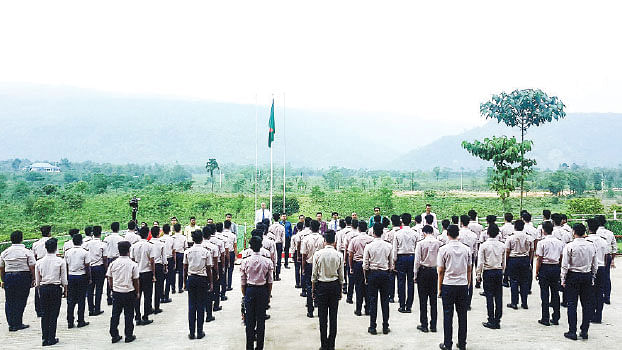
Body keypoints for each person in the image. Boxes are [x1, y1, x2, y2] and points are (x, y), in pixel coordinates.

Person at [561, 223, 597, 341]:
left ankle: (572, 331)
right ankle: (585, 330)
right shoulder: (591, 246)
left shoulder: (570, 246)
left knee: (572, 304)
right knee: (586, 304)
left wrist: (563, 278)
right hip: (586, 275)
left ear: (574, 232)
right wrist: (592, 276)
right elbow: (594, 264)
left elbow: (565, 265)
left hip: (573, 275)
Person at [438, 225, 471, 350]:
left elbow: (441, 270)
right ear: (458, 234)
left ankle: (448, 343)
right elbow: (469, 268)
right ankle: (462, 343)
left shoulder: (443, 249)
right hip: (462, 284)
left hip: (448, 284)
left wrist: (440, 287)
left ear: (447, 234)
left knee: (448, 315)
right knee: (462, 315)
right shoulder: (466, 249)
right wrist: (468, 283)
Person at [312, 230, 344, 350]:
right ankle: (332, 345)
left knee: (322, 317)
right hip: (334, 286)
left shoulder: (318, 254)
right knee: (333, 316)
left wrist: (313, 290)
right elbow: (341, 276)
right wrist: (340, 290)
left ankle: (324, 344)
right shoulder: (339, 255)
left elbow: (314, 275)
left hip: (322, 286)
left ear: (324, 241)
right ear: (334, 241)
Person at [241, 236, 274, 350]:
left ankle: (249, 346)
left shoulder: (245, 261)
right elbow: (270, 281)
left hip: (250, 290)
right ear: (261, 246)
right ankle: (260, 346)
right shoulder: (267, 261)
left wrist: (245, 295)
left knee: (249, 320)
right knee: (261, 320)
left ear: (250, 246)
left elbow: (243, 281)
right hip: (262, 290)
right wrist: (268, 295)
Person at [0, 230, 35, 332]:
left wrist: (3, 279)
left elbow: (1, 268)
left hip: (9, 276)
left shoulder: (5, 252)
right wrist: (33, 279)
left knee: (9, 300)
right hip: (23, 277)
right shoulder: (27, 252)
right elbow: (32, 267)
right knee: (21, 300)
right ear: (21, 239)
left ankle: (11, 323)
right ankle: (18, 322)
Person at [35, 238, 67, 347]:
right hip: (55, 288)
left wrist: (39, 292)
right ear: (56, 248)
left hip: (44, 288)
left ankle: (44, 338)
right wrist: (65, 291)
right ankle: (51, 337)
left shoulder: (39, 262)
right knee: (54, 313)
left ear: (46, 248)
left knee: (45, 314)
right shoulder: (60, 261)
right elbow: (64, 279)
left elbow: (37, 281)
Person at [363, 222, 393, 335]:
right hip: (385, 274)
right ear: (383, 232)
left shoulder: (369, 246)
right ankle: (385, 326)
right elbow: (391, 264)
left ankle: (372, 326)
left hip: (373, 274)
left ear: (373, 232)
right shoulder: (388, 246)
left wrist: (366, 277)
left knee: (372, 300)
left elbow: (365, 264)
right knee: (385, 301)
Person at [107, 240, 139, 344]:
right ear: (129, 250)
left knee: (115, 314)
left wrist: (112, 288)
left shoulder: (113, 263)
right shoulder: (132, 264)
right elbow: (135, 280)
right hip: (129, 291)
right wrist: (137, 292)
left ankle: (114, 334)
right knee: (129, 314)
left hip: (117, 291)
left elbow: (109, 278)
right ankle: (128, 335)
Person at [184, 229, 213, 340]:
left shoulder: (188, 251)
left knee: (191, 305)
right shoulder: (206, 252)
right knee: (201, 305)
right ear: (201, 239)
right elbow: (209, 269)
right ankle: (200, 331)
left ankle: (191, 332)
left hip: (191, 278)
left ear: (192, 239)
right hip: (202, 279)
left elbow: (185, 268)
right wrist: (210, 283)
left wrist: (184, 283)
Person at [476, 224, 505, 329]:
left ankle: (491, 319)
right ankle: (497, 319)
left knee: (489, 296)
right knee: (498, 296)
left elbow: (480, 262)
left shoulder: (484, 245)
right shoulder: (502, 245)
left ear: (487, 233)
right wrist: (503, 272)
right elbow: (504, 261)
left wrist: (478, 275)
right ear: (498, 233)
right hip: (498, 271)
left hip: (488, 271)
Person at [534, 221, 563, 326]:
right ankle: (556, 317)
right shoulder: (560, 242)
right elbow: (561, 257)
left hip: (545, 268)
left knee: (544, 293)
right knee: (555, 293)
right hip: (555, 267)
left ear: (543, 230)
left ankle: (545, 317)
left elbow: (539, 259)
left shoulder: (542, 243)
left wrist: (537, 271)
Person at [414, 225, 441, 332]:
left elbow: (417, 261)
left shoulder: (420, 243)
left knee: (423, 299)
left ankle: (424, 324)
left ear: (424, 233)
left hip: (423, 272)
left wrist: (415, 275)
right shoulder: (438, 243)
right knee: (433, 299)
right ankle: (433, 325)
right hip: (434, 271)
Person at [505, 219, 533, 310]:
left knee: (514, 281)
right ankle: (524, 303)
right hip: (525, 259)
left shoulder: (510, 237)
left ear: (515, 227)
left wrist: (506, 262)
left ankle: (514, 302)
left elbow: (507, 251)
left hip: (514, 259)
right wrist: (529, 260)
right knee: (524, 281)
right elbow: (532, 250)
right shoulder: (528, 237)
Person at [64, 234, 90, 329]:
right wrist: (89, 277)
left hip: (71, 276)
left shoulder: (67, 252)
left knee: (71, 300)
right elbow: (87, 266)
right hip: (81, 276)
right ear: (81, 242)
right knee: (81, 299)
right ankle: (80, 320)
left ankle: (70, 321)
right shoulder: (85, 252)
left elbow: (65, 266)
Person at [130, 226, 155, 325]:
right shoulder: (150, 246)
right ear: (148, 234)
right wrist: (153, 274)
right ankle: (145, 316)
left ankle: (137, 316)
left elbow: (132, 260)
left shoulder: (134, 246)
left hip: (137, 273)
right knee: (147, 295)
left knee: (137, 295)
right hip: (147, 272)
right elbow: (152, 261)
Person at [301, 220, 326, 318]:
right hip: (319, 265)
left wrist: (303, 268)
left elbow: (304, 255)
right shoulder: (322, 239)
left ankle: (310, 310)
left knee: (309, 286)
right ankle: (319, 307)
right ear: (319, 227)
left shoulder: (306, 239)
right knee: (319, 285)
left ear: (310, 228)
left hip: (309, 264)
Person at [585, 218, 607, 324]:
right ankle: (598, 315)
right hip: (602, 267)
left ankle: (590, 314)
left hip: (590, 268)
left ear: (588, 228)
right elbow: (606, 256)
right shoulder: (603, 241)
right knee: (599, 292)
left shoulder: (587, 240)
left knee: (590, 293)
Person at [393, 213, 416, 313]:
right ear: (411, 221)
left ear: (401, 221)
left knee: (401, 282)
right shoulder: (415, 233)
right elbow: (417, 248)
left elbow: (394, 249)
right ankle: (409, 306)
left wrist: (394, 261)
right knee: (411, 282)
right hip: (412, 257)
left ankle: (402, 305)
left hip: (401, 257)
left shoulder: (398, 233)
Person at [348, 221, 372, 316]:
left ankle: (358, 309)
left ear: (358, 228)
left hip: (357, 264)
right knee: (368, 287)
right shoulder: (371, 239)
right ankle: (368, 308)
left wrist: (351, 267)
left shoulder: (354, 240)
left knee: (358, 286)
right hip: (368, 264)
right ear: (366, 229)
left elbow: (350, 254)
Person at [84, 226, 107, 316]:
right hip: (99, 267)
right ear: (100, 233)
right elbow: (105, 259)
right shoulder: (102, 244)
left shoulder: (86, 244)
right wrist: (106, 270)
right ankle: (97, 308)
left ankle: (90, 309)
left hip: (89, 267)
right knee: (99, 289)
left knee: (90, 288)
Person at [32, 225, 52, 317]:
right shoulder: (52, 241)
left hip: (39, 263)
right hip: (50, 263)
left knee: (38, 284)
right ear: (49, 232)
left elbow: (34, 256)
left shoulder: (36, 243)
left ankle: (39, 309)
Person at [595, 215, 617, 304]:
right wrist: (612, 260)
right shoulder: (610, 233)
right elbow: (614, 248)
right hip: (607, 256)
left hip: (597, 256)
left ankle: (597, 296)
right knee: (607, 277)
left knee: (596, 276)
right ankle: (607, 297)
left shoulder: (595, 233)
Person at [458, 215, 478, 310]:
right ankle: (468, 302)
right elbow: (475, 249)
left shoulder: (458, 234)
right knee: (469, 278)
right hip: (470, 256)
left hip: (459, 257)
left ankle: (460, 300)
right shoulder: (473, 235)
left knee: (460, 277)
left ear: (461, 222)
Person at [200, 227, 219, 323]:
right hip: (210, 270)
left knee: (200, 294)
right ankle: (209, 315)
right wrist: (217, 273)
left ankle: (200, 314)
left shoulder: (199, 245)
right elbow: (215, 263)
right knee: (209, 293)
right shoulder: (213, 247)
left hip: (200, 271)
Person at [104, 222, 124, 305]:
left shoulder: (106, 238)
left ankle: (109, 296)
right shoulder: (121, 238)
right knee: (119, 278)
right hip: (117, 258)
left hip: (109, 259)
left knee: (110, 277)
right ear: (118, 228)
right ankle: (117, 295)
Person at [150, 226, 167, 314]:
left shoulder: (149, 243)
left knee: (148, 289)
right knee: (158, 287)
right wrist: (165, 267)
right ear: (158, 233)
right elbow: (164, 257)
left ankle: (148, 307)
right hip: (159, 266)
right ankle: (157, 306)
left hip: (149, 266)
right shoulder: (161, 244)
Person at [344, 219, 360, 302]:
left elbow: (346, 248)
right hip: (360, 259)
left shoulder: (348, 235)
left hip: (350, 257)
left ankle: (349, 297)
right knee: (360, 280)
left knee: (351, 278)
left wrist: (344, 259)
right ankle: (359, 297)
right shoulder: (359, 235)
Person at [159, 224, 175, 303]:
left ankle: (161, 296)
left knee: (161, 279)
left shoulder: (160, 239)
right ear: (169, 230)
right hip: (170, 258)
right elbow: (173, 251)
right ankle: (166, 296)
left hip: (161, 259)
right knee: (169, 279)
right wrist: (174, 261)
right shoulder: (171, 239)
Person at [269, 213, 286, 281]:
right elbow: (283, 237)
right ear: (279, 218)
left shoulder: (270, 227)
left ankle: (272, 274)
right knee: (279, 259)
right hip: (279, 244)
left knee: (272, 259)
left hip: (272, 243)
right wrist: (283, 245)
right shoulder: (281, 227)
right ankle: (277, 275)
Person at [172, 223, 187, 293]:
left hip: (174, 254)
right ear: (180, 229)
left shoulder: (172, 237)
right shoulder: (183, 237)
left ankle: (173, 288)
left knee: (173, 272)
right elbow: (185, 247)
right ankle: (180, 287)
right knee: (181, 271)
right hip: (181, 254)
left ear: (174, 229)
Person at [223, 220, 238, 291]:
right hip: (231, 253)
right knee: (230, 269)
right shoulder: (233, 235)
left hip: (222, 254)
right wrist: (236, 255)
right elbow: (235, 246)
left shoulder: (221, 235)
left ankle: (224, 284)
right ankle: (229, 285)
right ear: (230, 226)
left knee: (223, 269)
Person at [291, 222, 304, 289]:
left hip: (296, 252)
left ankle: (297, 283)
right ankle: (302, 282)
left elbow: (292, 247)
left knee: (297, 268)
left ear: (296, 228)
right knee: (303, 268)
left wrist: (293, 255)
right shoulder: (305, 235)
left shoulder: (294, 237)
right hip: (303, 252)